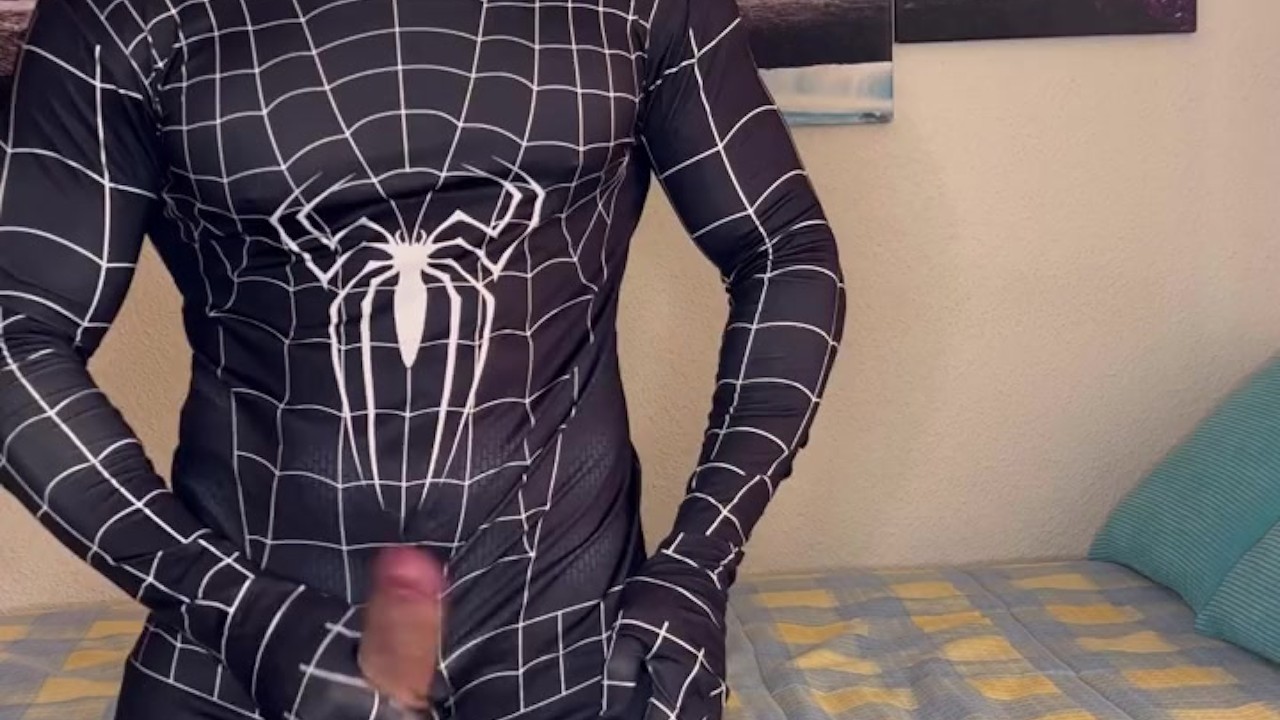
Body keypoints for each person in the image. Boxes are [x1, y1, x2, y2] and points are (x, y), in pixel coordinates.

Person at [0, 0, 846, 717]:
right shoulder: (122, 13)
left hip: (579, 641)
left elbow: (783, 246)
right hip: (242, 653)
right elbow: (15, 332)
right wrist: (230, 603)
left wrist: (699, 563)